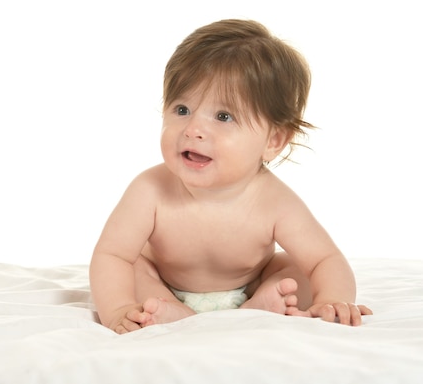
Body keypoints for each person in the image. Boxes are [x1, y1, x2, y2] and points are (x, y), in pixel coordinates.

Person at [89, 18, 372, 334]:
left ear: (273, 141)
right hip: (164, 286)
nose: (193, 130)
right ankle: (172, 312)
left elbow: (325, 259)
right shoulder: (149, 190)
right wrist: (118, 310)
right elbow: (111, 255)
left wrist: (332, 298)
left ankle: (258, 306)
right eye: (182, 109)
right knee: (135, 269)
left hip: (249, 285)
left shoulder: (275, 201)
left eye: (223, 116)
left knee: (296, 271)